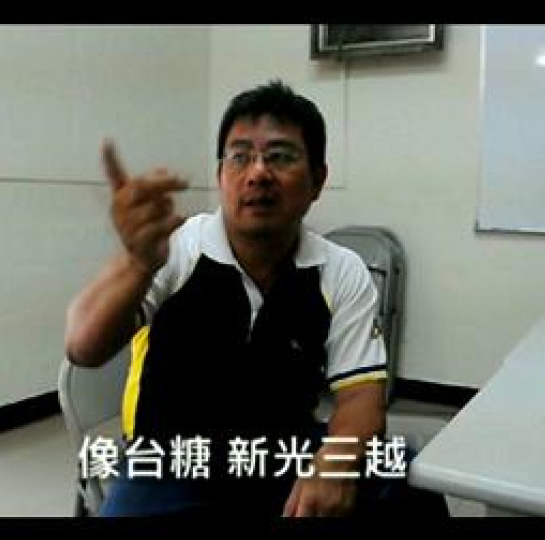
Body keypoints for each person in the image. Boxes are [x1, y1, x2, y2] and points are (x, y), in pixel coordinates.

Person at [65, 80, 442, 517]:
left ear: (318, 180)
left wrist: (333, 465)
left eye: (280, 156)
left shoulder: (340, 269)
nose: (258, 173)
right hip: (175, 462)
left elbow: (361, 397)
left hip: (283, 453)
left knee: (412, 478)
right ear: (221, 176)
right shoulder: (176, 248)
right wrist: (137, 264)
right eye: (240, 156)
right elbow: (82, 347)